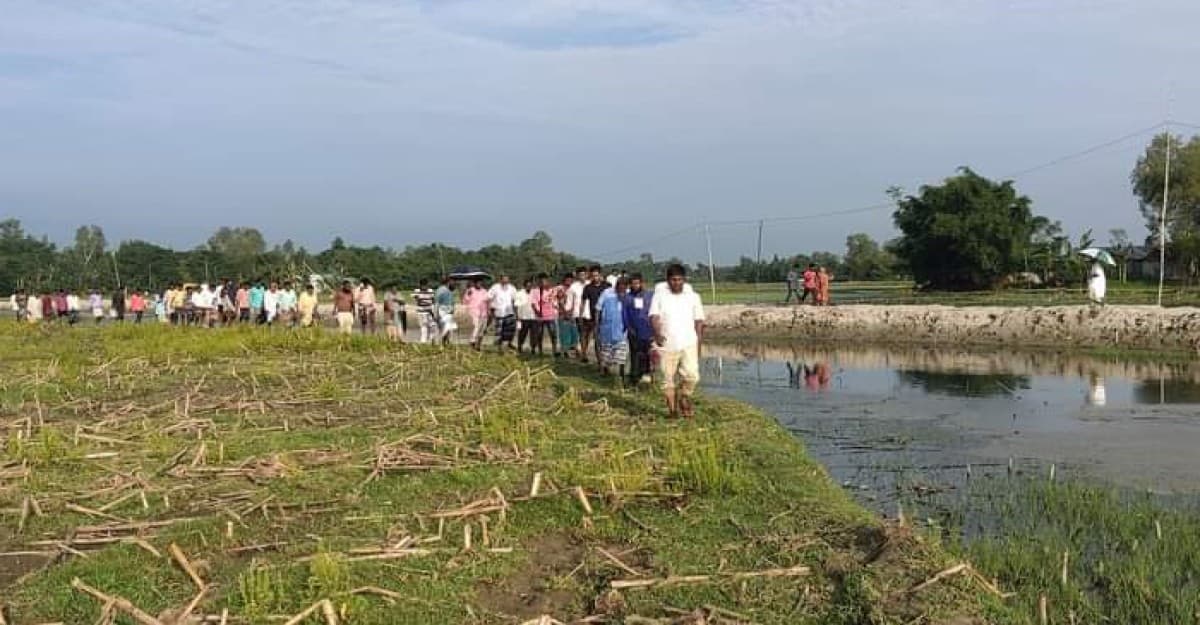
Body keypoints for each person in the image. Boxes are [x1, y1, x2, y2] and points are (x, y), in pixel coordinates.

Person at [650, 264, 706, 418]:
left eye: (679, 280)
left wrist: (699, 342)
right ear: (668, 281)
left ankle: (684, 396)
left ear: (684, 280)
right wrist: (657, 333)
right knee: (667, 380)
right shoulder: (660, 296)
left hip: (688, 342)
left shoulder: (693, 297)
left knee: (692, 376)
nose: (677, 283)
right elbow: (654, 317)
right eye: (673, 280)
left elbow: (699, 321)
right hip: (667, 344)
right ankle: (673, 412)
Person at [623, 273, 655, 384]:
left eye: (637, 283)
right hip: (634, 331)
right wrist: (629, 328)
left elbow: (654, 312)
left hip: (648, 331)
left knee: (648, 355)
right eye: (633, 284)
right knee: (635, 354)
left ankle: (647, 376)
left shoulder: (649, 295)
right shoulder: (627, 297)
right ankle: (634, 377)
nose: (635, 285)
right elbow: (625, 314)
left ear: (641, 283)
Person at [596, 278, 629, 377]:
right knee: (606, 353)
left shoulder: (627, 295)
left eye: (624, 289)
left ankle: (621, 374)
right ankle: (604, 370)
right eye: (620, 289)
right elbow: (598, 309)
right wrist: (597, 324)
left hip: (622, 330)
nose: (621, 291)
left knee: (622, 354)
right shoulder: (607, 293)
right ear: (616, 287)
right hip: (607, 329)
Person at [580, 265, 609, 364]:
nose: (595, 278)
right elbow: (583, 302)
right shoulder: (588, 288)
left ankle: (606, 361)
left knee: (606, 341)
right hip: (594, 318)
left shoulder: (607, 286)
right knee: (597, 341)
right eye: (593, 276)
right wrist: (580, 316)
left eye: (597, 275)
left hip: (607, 318)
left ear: (600, 275)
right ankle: (600, 362)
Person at [529, 274, 558, 355]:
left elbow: (556, 299)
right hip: (540, 316)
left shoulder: (551, 290)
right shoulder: (535, 291)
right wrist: (538, 313)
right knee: (539, 334)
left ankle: (554, 350)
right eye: (541, 281)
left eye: (545, 281)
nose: (543, 283)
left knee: (553, 333)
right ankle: (540, 350)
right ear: (538, 282)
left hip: (551, 316)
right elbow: (533, 303)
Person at [488, 274, 518, 351]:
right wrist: (490, 310)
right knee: (499, 332)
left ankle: (507, 346)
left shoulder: (512, 288)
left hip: (509, 313)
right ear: (500, 280)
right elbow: (489, 298)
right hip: (499, 312)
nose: (506, 281)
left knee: (509, 331)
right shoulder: (495, 287)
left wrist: (516, 313)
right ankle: (499, 348)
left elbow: (515, 301)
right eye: (504, 279)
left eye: (507, 279)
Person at [462, 279, 490, 350]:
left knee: (482, 330)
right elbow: (465, 301)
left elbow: (487, 301)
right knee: (476, 327)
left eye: (480, 282)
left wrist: (488, 310)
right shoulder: (470, 290)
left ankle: (478, 345)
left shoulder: (484, 291)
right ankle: (472, 342)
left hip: (483, 313)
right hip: (474, 312)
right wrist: (468, 295)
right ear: (475, 283)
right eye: (478, 282)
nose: (479, 284)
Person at [557, 273, 580, 357]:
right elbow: (561, 303)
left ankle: (574, 349)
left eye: (571, 279)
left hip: (572, 314)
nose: (569, 281)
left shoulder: (573, 289)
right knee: (564, 333)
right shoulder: (561, 289)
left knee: (574, 332)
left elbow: (574, 302)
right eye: (567, 279)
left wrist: (572, 311)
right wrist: (566, 313)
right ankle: (565, 351)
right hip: (563, 314)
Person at [413, 279, 438, 343]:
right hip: (421, 312)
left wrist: (434, 310)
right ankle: (423, 342)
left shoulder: (430, 291)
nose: (424, 287)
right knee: (424, 328)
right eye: (423, 286)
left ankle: (431, 340)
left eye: (425, 285)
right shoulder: (417, 291)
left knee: (433, 326)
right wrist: (428, 304)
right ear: (420, 285)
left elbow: (434, 301)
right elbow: (419, 301)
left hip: (430, 312)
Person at [514, 279, 536, 353]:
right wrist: (517, 316)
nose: (529, 287)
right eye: (527, 286)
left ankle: (533, 348)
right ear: (524, 286)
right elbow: (516, 306)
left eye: (530, 286)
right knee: (522, 333)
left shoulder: (534, 293)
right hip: (523, 317)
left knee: (533, 334)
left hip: (533, 317)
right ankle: (520, 346)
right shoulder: (519, 293)